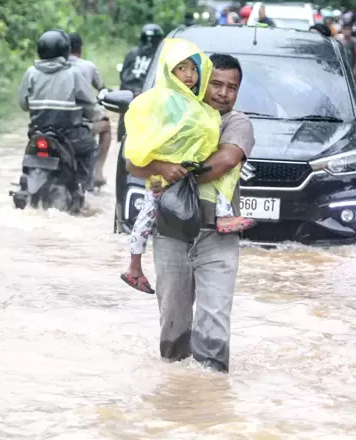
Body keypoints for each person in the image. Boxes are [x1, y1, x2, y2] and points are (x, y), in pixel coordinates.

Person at [126, 53, 255, 373]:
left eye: (232, 87)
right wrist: (162, 167)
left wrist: (170, 172)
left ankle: (211, 392)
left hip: (217, 236)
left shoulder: (237, 122)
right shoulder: (171, 115)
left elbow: (225, 160)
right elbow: (132, 163)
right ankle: (177, 398)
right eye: (217, 84)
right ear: (199, 80)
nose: (224, 93)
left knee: (214, 321)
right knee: (173, 324)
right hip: (170, 234)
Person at [18, 29, 97, 193]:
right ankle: (86, 189)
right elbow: (90, 105)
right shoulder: (74, 73)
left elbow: (23, 104)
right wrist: (93, 116)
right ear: (65, 50)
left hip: (37, 133)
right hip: (69, 135)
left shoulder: (31, 73)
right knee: (91, 148)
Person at [67, 31, 112, 189]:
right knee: (105, 124)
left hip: (49, 123)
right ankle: (97, 172)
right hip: (79, 125)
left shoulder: (50, 69)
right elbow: (100, 90)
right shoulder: (86, 67)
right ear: (80, 49)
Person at [117, 23, 164, 142]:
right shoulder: (160, 56)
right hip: (143, 95)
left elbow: (122, 74)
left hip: (129, 94)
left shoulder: (132, 53)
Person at [336, 20, 356, 85]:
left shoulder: (354, 41)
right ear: (342, 30)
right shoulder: (338, 40)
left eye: (348, 29)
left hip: (351, 66)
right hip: (340, 67)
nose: (347, 31)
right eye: (345, 29)